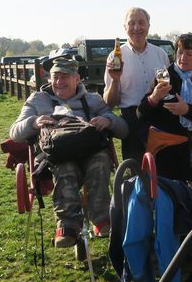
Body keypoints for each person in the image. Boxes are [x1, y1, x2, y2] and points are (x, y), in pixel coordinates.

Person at [10, 58, 129, 248]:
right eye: (55, 77)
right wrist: (34, 122)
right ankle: (67, 226)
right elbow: (14, 132)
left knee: (100, 159)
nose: (59, 82)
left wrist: (109, 121)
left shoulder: (92, 100)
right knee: (65, 165)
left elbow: (123, 130)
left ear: (78, 79)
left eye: (65, 77)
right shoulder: (38, 100)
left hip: (90, 153)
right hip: (54, 157)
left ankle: (101, 219)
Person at [137, 33, 192, 203]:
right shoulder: (165, 76)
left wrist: (187, 110)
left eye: (189, 54)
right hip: (166, 150)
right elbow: (141, 113)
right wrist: (154, 98)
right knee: (167, 197)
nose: (183, 58)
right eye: (180, 52)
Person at [103, 7, 170, 162]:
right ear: (125, 27)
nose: (136, 28)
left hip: (158, 114)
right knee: (137, 173)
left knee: (165, 168)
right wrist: (115, 79)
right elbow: (109, 103)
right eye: (131, 23)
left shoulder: (160, 54)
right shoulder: (115, 57)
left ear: (148, 26)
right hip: (131, 118)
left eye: (141, 23)